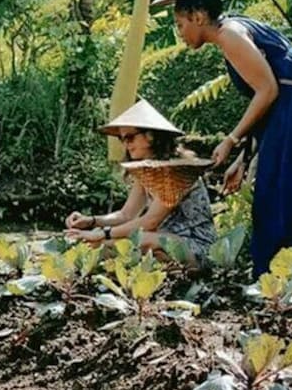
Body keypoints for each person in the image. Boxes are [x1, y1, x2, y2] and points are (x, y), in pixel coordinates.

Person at [153, 0, 292, 277]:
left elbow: (267, 90)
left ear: (198, 16)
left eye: (180, 24)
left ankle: (281, 282)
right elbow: (268, 97)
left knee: (282, 196)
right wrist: (244, 157)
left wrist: (230, 140)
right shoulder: (236, 29)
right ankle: (288, 281)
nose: (179, 34)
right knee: (285, 194)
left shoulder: (230, 35)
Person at [64, 100, 216, 268]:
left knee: (130, 241)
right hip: (166, 239)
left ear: (151, 136)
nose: (126, 144)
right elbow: (126, 215)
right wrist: (92, 221)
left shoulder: (176, 171)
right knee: (98, 243)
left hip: (196, 246)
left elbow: (150, 222)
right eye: (122, 139)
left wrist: (102, 234)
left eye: (129, 137)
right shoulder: (147, 170)